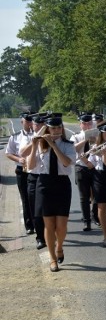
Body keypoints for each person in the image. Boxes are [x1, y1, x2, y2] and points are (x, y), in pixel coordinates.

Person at [26, 115, 75, 272]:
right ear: (46, 129)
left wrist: (53, 145)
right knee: (49, 224)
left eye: (58, 128)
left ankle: (59, 246)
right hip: (44, 184)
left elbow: (66, 162)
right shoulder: (40, 144)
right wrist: (34, 145)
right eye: (53, 128)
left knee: (61, 224)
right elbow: (30, 166)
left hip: (61, 184)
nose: (56, 130)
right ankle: (52, 258)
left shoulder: (68, 144)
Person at [19, 113, 47, 249]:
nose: (39, 127)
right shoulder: (28, 138)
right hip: (33, 177)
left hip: (48, 177)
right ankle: (40, 237)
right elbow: (22, 153)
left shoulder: (50, 137)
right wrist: (34, 141)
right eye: (37, 124)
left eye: (42, 125)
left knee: (47, 209)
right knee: (35, 210)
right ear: (32, 125)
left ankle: (50, 234)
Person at [88, 123, 106, 246]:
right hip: (99, 176)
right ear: (101, 133)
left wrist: (104, 153)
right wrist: (83, 157)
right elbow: (91, 165)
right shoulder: (96, 145)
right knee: (101, 206)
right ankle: (105, 235)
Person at [5, 112, 35, 234]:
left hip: (36, 170)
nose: (29, 124)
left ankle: (39, 223)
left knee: (37, 198)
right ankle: (29, 225)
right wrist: (18, 159)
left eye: (30, 121)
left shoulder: (39, 135)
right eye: (26, 121)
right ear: (22, 122)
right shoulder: (15, 136)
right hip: (22, 170)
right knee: (25, 198)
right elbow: (8, 153)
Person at [70, 114, 98, 232]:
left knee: (96, 195)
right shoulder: (76, 136)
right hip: (81, 167)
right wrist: (86, 139)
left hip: (95, 167)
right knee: (84, 196)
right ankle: (87, 221)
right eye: (85, 123)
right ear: (80, 124)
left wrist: (95, 140)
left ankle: (94, 215)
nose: (87, 126)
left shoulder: (97, 134)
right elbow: (73, 149)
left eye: (89, 123)